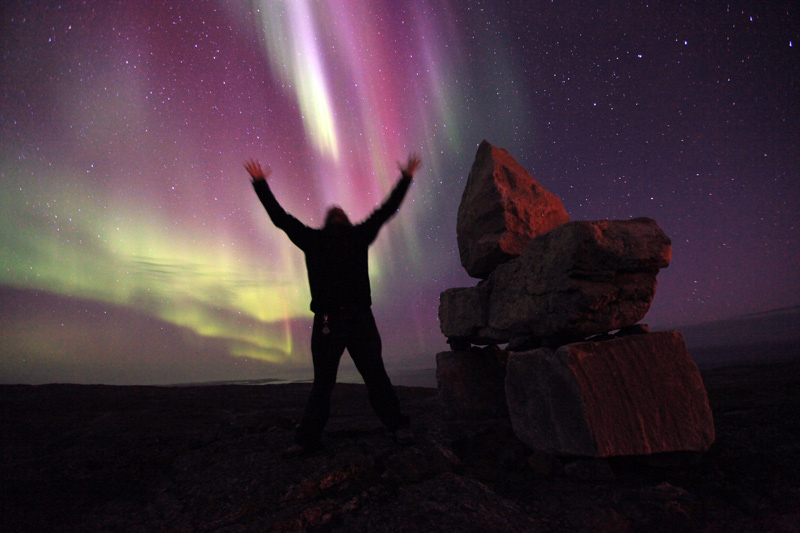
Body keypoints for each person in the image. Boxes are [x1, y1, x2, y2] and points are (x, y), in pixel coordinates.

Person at [245, 154, 421, 453]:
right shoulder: (313, 239)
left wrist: (405, 178)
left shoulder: (356, 235)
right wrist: (261, 185)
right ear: (329, 220)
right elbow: (281, 219)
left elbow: (387, 209)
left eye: (340, 210)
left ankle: (398, 426)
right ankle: (308, 438)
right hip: (329, 321)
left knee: (375, 375)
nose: (337, 211)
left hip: (359, 319)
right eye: (334, 211)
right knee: (324, 383)